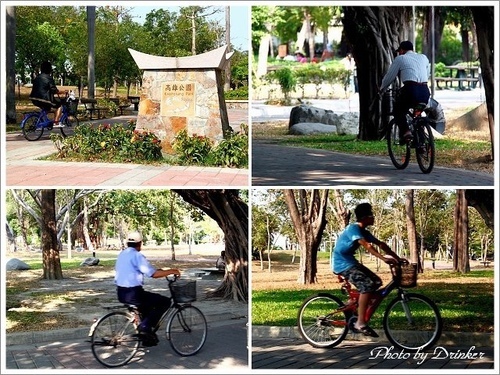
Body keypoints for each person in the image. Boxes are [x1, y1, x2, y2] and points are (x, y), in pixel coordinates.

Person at [332, 203, 401, 337]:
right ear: (365, 217)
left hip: (350, 262)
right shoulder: (353, 229)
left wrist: (397, 258)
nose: (373, 217)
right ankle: (360, 322)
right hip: (342, 264)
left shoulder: (364, 231)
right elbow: (366, 245)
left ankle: (353, 305)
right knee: (367, 286)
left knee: (376, 282)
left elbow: (381, 244)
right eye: (371, 214)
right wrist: (383, 259)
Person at [114, 231, 180, 346]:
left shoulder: (122, 254)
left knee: (147, 308)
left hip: (121, 292)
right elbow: (153, 274)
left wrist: (161, 271)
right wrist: (173, 271)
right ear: (140, 243)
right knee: (164, 302)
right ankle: (144, 327)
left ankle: (146, 336)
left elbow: (149, 270)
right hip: (134, 293)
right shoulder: (137, 255)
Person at [379, 40, 430, 142]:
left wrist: (382, 89)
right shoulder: (424, 57)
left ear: (402, 50)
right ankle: (421, 143)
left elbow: (390, 77)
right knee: (417, 115)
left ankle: (406, 131)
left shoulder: (401, 58)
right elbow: (427, 74)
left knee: (398, 110)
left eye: (399, 51)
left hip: (410, 90)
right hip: (425, 91)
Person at [29, 61, 66, 127]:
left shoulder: (37, 77)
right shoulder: (49, 78)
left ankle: (42, 121)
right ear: (49, 69)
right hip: (44, 99)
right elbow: (54, 90)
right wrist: (64, 92)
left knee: (47, 109)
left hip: (34, 98)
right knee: (59, 105)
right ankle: (56, 122)